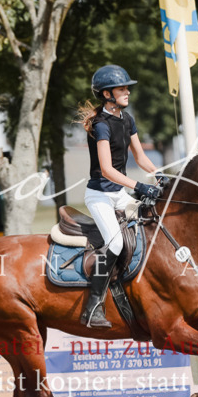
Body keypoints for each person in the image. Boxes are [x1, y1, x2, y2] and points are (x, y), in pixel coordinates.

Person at [77, 64, 162, 328]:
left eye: (127, 88)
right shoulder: (101, 125)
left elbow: (140, 157)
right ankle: (93, 307)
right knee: (114, 245)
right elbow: (107, 170)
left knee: (154, 219)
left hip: (119, 194)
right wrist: (139, 186)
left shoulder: (128, 119)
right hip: (100, 196)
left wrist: (159, 175)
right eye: (122, 88)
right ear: (107, 94)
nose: (127, 92)